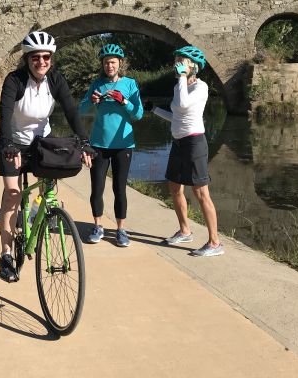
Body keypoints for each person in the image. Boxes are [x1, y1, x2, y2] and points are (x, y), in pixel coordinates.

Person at [0, 30, 92, 282]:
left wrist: (84, 142)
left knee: (48, 188)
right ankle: (6, 253)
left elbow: (71, 111)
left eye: (46, 57)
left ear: (51, 59)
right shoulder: (15, 81)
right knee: (13, 194)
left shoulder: (55, 80)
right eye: (35, 57)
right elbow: (5, 114)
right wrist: (8, 143)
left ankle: (38, 214)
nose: (41, 62)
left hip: (41, 143)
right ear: (27, 59)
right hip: (13, 143)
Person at [147, 45, 224, 256]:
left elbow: (182, 105)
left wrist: (181, 77)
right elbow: (177, 117)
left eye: (183, 61)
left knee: (200, 193)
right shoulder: (178, 87)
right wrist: (154, 110)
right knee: (174, 187)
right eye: (177, 60)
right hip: (178, 142)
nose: (178, 63)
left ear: (195, 66)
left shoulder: (201, 87)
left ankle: (215, 243)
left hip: (194, 143)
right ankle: (185, 231)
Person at [79, 44, 143, 247]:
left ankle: (120, 230)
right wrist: (92, 99)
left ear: (120, 63)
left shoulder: (130, 84)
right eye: (106, 62)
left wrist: (124, 101)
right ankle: (97, 226)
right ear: (102, 64)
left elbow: (139, 114)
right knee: (97, 188)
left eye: (113, 62)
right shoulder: (97, 84)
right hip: (98, 144)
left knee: (119, 188)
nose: (110, 66)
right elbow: (80, 110)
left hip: (124, 144)